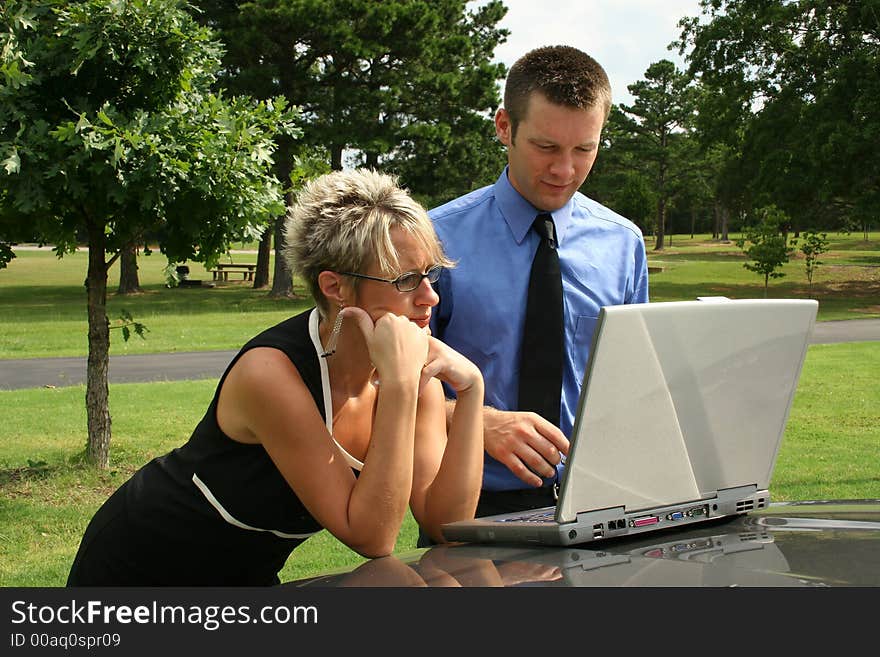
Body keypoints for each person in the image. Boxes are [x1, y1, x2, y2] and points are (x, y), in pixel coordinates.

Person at [67, 169, 485, 586]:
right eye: (406, 280)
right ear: (335, 287)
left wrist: (470, 391)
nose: (430, 296)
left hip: (245, 577)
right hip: (141, 569)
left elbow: (446, 524)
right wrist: (398, 385)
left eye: (431, 274)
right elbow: (373, 536)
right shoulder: (269, 374)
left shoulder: (413, 374)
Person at [426, 45, 649, 530]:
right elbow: (384, 383)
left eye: (583, 149)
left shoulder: (624, 244)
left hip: (598, 503)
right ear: (505, 127)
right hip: (468, 504)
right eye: (546, 147)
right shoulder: (432, 240)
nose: (564, 170)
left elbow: (634, 383)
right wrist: (475, 421)